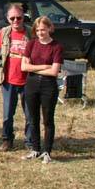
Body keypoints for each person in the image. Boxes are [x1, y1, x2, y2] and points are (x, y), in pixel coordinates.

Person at [21, 16, 63, 164]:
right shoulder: (31, 44)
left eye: (43, 30)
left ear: (50, 28)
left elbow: (54, 71)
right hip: (31, 85)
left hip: (48, 86)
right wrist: (44, 66)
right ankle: (35, 149)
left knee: (48, 120)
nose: (40, 33)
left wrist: (33, 68)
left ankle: (47, 151)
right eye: (37, 30)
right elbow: (24, 67)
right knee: (32, 119)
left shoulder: (56, 46)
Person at [0, 3, 32, 152]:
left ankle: (30, 141)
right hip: (8, 79)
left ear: (23, 17)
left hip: (28, 80)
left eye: (19, 18)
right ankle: (7, 140)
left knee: (30, 114)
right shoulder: (3, 33)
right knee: (7, 114)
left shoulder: (31, 33)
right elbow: (0, 53)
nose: (16, 21)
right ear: (7, 18)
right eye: (12, 18)